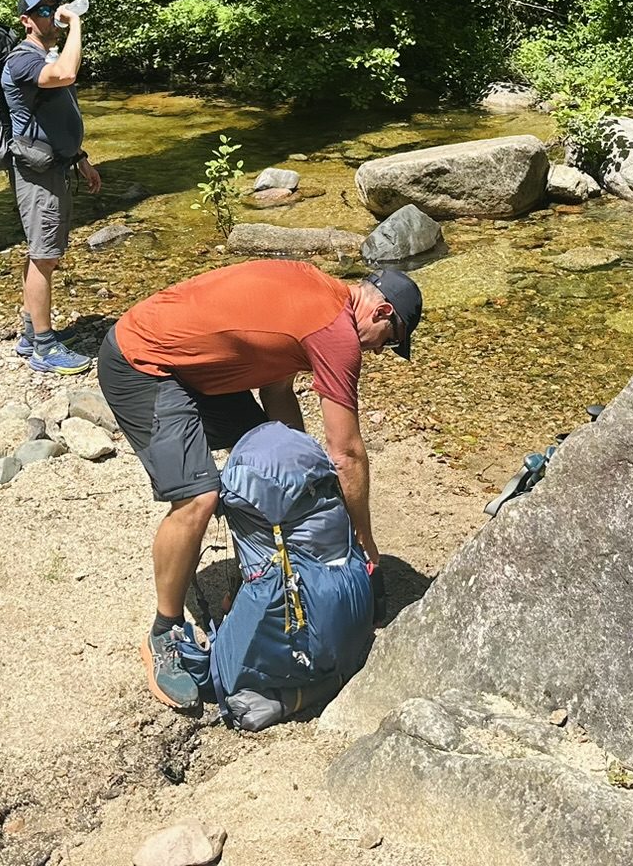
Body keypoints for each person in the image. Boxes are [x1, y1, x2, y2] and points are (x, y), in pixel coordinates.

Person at [97, 258, 423, 711]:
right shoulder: (336, 334)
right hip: (144, 363)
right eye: (390, 342)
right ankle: (165, 632)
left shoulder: (318, 293)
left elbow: (277, 394)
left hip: (198, 370)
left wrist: (299, 485)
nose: (380, 352)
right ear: (383, 313)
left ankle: (257, 580)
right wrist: (363, 541)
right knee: (200, 496)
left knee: (266, 471)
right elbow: (346, 453)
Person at [4, 0, 101, 374]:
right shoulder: (23, 60)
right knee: (44, 256)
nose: (51, 15)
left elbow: (59, 114)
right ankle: (43, 347)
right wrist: (76, 22)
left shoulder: (42, 55)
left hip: (56, 165)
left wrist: (80, 158)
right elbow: (66, 73)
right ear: (27, 21)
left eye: (53, 7)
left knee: (46, 253)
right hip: (37, 175)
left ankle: (32, 335)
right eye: (42, 11)